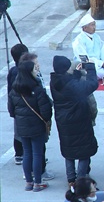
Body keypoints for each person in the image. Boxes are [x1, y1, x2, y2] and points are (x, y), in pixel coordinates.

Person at [50, 55, 98, 186]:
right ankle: (81, 180)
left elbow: (70, 84)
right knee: (84, 152)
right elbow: (92, 84)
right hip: (79, 120)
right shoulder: (71, 85)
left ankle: (71, 178)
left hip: (63, 121)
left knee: (69, 149)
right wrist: (91, 68)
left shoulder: (55, 81)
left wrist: (76, 73)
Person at [7, 60, 53, 192]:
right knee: (38, 154)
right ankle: (38, 182)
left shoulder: (14, 90)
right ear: (29, 73)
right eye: (34, 69)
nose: (36, 71)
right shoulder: (37, 89)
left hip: (21, 127)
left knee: (27, 153)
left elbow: (11, 110)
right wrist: (46, 120)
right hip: (36, 126)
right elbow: (46, 111)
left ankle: (29, 182)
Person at [72, 14, 104, 79]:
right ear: (85, 28)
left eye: (94, 24)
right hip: (90, 67)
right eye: (92, 25)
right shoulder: (78, 41)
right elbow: (85, 60)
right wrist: (101, 63)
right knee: (100, 73)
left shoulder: (96, 37)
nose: (94, 27)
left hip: (101, 64)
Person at [7, 43, 28, 166]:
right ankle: (20, 153)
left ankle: (19, 153)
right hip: (22, 106)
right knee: (21, 132)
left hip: (16, 106)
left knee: (18, 130)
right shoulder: (20, 72)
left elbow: (9, 91)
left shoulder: (12, 70)